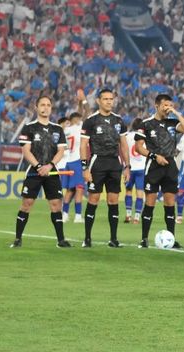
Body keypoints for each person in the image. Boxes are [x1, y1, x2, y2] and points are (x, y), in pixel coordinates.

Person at [133, 93, 184, 249]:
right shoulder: (146, 124)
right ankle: (144, 239)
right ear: (157, 106)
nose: (168, 108)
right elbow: (138, 147)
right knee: (150, 202)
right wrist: (154, 156)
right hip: (153, 166)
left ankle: (172, 239)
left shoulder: (173, 123)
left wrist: (176, 113)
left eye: (170, 105)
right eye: (165, 105)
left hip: (170, 166)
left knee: (169, 204)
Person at [11, 96, 69, 248]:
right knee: (27, 204)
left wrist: (49, 166)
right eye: (42, 105)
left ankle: (61, 240)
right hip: (34, 171)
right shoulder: (28, 128)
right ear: (36, 107)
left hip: (51, 171)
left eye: (48, 105)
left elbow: (61, 151)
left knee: (56, 205)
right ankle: (18, 239)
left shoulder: (57, 129)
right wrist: (38, 167)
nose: (46, 107)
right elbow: (26, 151)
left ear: (51, 108)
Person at [79, 88, 130, 248]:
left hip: (114, 163)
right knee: (93, 199)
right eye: (105, 99)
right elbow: (83, 145)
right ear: (98, 101)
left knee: (113, 201)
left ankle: (113, 239)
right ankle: (87, 238)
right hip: (97, 163)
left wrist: (127, 166)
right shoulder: (91, 121)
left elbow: (124, 145)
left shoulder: (119, 121)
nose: (109, 101)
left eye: (111, 99)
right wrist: (84, 168)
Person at [60, 108, 86, 223]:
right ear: (76, 120)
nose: (81, 121)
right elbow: (87, 114)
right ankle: (78, 216)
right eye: (79, 119)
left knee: (70, 190)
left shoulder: (66, 130)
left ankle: (64, 215)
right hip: (77, 161)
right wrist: (83, 102)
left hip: (69, 161)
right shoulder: (78, 128)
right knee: (79, 189)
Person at [123, 119, 146, 224]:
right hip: (141, 168)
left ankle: (128, 215)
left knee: (128, 191)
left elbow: (123, 149)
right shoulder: (144, 136)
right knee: (139, 192)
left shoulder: (127, 136)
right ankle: (136, 217)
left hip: (129, 168)